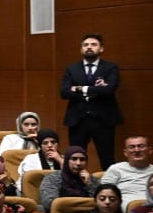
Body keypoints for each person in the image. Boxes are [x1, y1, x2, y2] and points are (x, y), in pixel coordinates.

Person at [60, 34, 122, 170]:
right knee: (76, 159)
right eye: (86, 45)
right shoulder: (72, 68)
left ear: (101, 49)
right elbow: (64, 92)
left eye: (94, 44)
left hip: (103, 120)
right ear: (81, 49)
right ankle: (77, 183)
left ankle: (108, 183)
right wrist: (96, 90)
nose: (89, 47)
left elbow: (109, 90)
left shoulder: (110, 68)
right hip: (77, 120)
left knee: (107, 159)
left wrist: (80, 89)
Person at [100, 134, 152, 201]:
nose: (136, 150)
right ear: (125, 152)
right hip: (125, 204)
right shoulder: (116, 169)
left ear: (150, 150)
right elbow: (103, 193)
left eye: (141, 146)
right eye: (131, 147)